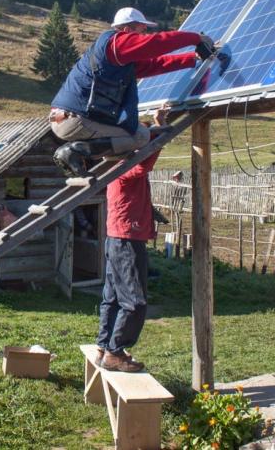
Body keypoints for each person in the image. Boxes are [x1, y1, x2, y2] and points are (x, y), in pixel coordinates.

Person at [49, 6, 227, 177]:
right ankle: (73, 151)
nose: (143, 35)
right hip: (76, 120)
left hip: (67, 118)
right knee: (141, 136)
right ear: (126, 29)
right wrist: (195, 38)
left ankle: (98, 152)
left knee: (133, 136)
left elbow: (154, 65)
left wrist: (191, 57)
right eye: (141, 31)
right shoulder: (116, 43)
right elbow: (156, 44)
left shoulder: (117, 58)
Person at [96, 106, 169, 372]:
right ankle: (116, 352)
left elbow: (143, 157)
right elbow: (145, 161)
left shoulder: (116, 166)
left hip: (117, 238)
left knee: (113, 297)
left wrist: (156, 127)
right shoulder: (123, 168)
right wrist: (161, 131)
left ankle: (104, 346)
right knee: (135, 300)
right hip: (126, 239)